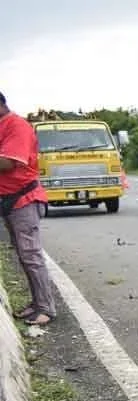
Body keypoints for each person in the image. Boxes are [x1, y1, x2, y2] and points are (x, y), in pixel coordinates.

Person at [0, 90, 56, 326]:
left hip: (23, 200)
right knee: (24, 255)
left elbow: (8, 163)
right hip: (9, 200)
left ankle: (46, 308)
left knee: (31, 255)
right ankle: (37, 303)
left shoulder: (17, 126)